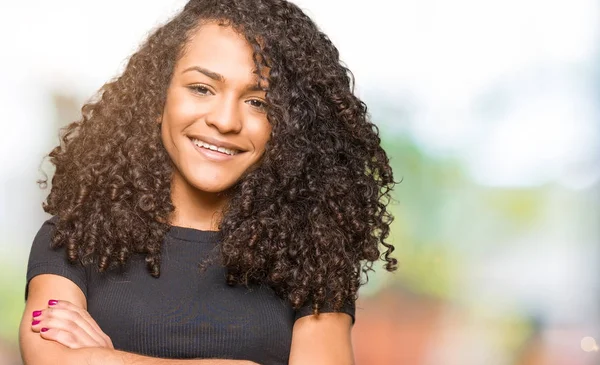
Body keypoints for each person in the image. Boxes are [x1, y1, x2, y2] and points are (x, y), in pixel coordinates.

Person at [19, 0, 397, 364]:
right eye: (201, 88)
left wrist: (106, 358)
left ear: (289, 127)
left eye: (259, 102)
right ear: (156, 97)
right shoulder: (74, 239)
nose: (226, 120)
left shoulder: (313, 259)